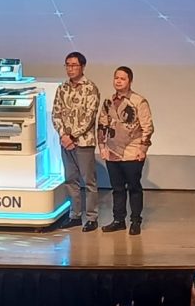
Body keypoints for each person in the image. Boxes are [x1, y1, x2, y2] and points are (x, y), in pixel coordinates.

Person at [97, 66, 153, 235]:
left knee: (134, 187)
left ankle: (135, 221)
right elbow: (102, 124)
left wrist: (143, 149)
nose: (119, 81)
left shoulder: (139, 101)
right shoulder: (108, 101)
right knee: (117, 188)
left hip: (132, 151)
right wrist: (102, 147)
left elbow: (147, 127)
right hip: (112, 151)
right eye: (116, 78)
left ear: (130, 81)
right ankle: (118, 220)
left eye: (122, 78)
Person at [52, 51, 101, 232]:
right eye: (67, 65)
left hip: (83, 142)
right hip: (66, 142)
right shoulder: (62, 88)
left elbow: (89, 117)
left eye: (74, 65)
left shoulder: (90, 88)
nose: (70, 69)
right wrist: (63, 135)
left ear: (82, 66)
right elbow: (56, 113)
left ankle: (92, 217)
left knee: (88, 181)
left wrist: (72, 136)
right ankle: (75, 215)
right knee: (70, 179)